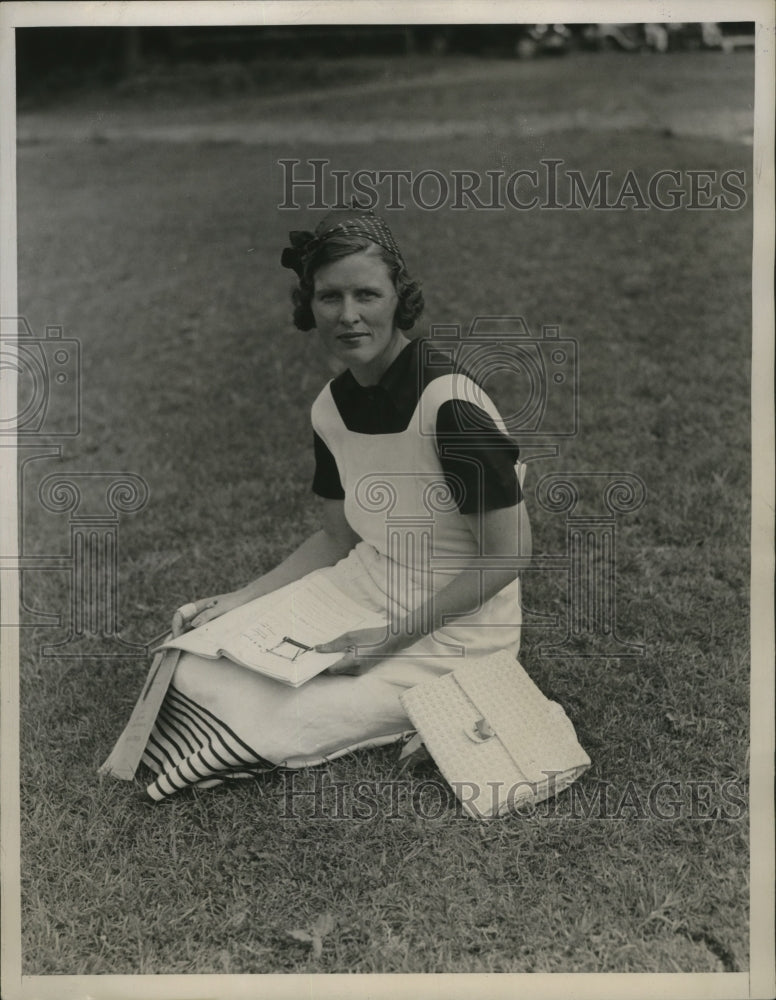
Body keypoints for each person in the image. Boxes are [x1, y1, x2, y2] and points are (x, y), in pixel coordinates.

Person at [139, 208, 532, 801]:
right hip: (363, 588)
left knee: (275, 720)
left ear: (399, 298)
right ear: (310, 305)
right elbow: (334, 538)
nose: (349, 315)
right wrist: (242, 599)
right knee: (191, 659)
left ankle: (455, 697)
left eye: (366, 294)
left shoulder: (450, 405)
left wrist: (389, 639)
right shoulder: (329, 408)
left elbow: (506, 558)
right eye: (330, 297)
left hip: (452, 631)